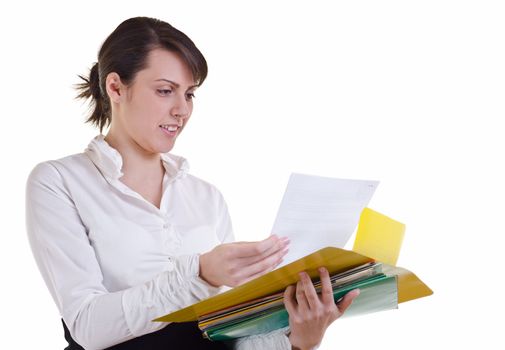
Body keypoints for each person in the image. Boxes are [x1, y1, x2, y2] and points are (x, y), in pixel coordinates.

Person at [26, 16, 360, 350]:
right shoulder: (59, 182)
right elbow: (88, 325)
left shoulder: (205, 197)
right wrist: (200, 274)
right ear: (115, 87)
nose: (181, 109)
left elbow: (232, 334)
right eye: (165, 91)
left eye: (189, 94)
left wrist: (300, 339)